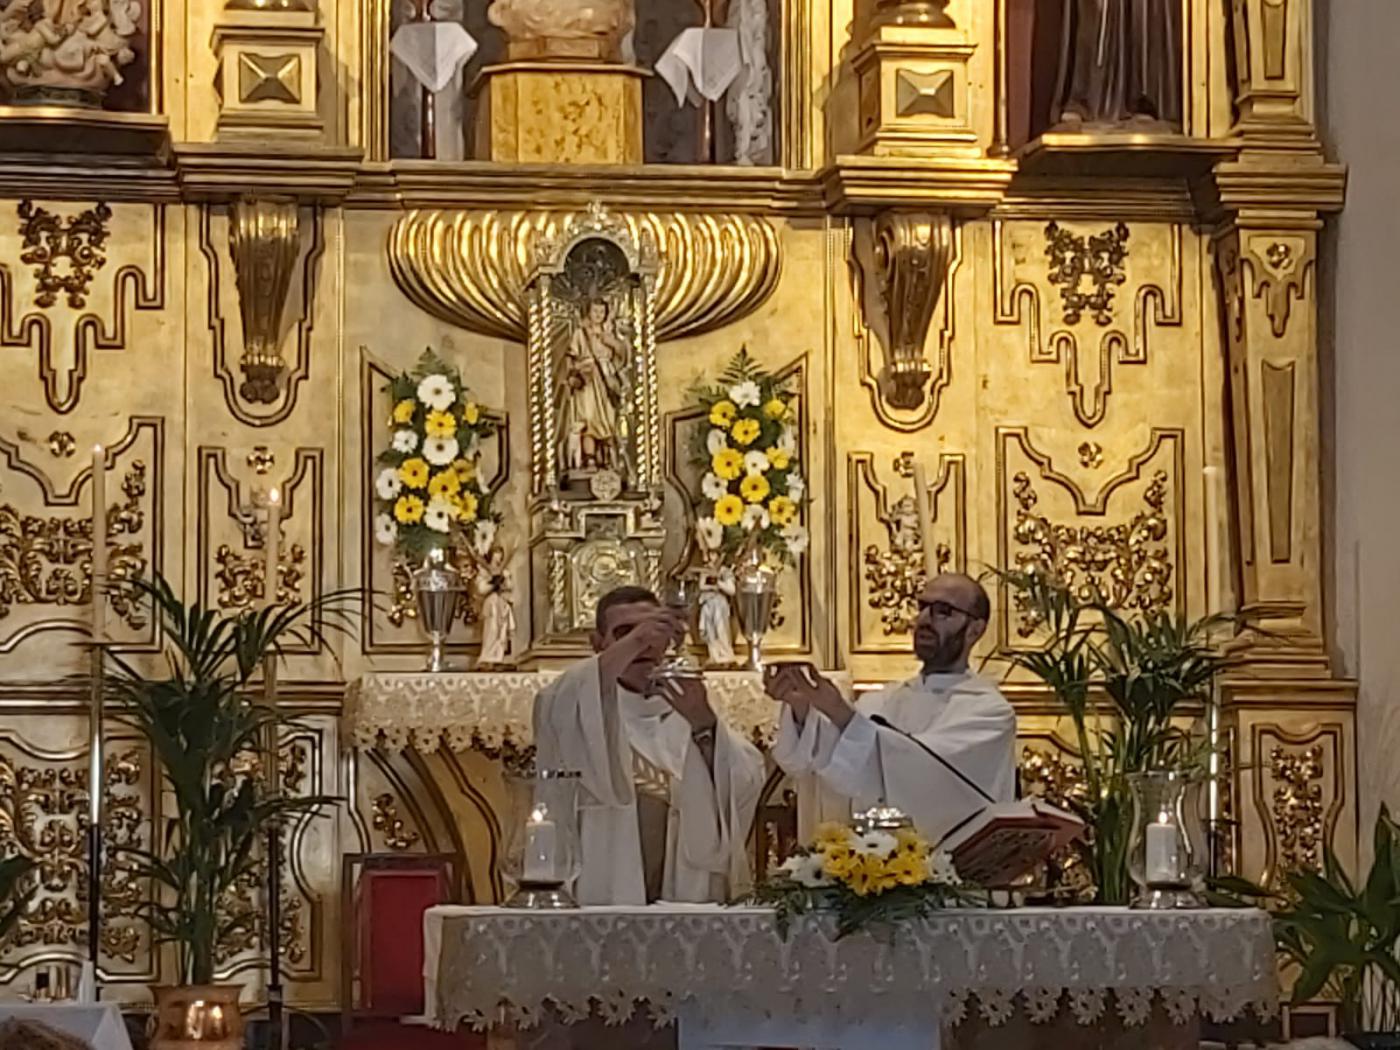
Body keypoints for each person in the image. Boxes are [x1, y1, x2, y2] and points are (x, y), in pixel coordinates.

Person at [532, 585, 766, 905]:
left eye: (651, 634)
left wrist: (704, 726)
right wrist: (641, 638)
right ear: (598, 644)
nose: (642, 646)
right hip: (608, 888)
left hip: (686, 896)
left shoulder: (689, 706)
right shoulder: (582, 711)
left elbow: (746, 778)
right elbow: (553, 704)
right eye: (625, 633)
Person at [766, 573, 1016, 843]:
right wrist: (803, 708)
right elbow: (823, 763)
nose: (924, 620)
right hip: (867, 873)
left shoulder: (990, 712)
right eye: (922, 607)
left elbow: (921, 769)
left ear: (975, 630)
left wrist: (837, 709)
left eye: (943, 611)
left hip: (948, 874)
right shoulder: (887, 698)